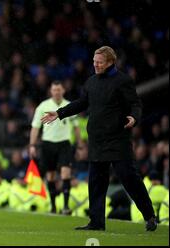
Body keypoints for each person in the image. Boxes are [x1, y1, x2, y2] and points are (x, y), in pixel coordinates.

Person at [41, 46, 157, 231]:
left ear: (110, 62)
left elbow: (135, 103)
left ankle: (149, 215)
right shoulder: (91, 82)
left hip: (118, 139)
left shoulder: (123, 81)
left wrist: (134, 117)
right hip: (97, 140)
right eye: (94, 61)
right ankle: (96, 222)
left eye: (99, 62)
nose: (95, 64)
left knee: (129, 178)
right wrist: (60, 112)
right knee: (96, 182)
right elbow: (81, 103)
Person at [29, 81, 80, 215]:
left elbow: (76, 127)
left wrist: (80, 145)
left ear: (63, 91)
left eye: (59, 90)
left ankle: (66, 206)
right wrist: (32, 145)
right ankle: (52, 206)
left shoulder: (69, 106)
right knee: (50, 175)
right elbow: (35, 127)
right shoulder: (43, 106)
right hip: (48, 144)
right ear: (51, 91)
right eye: (54, 90)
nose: (57, 92)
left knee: (65, 173)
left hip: (64, 143)